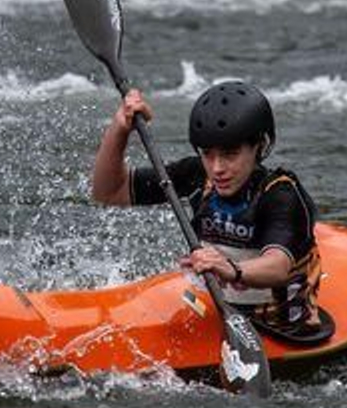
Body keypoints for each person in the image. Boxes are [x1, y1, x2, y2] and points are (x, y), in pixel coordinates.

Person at [91, 79, 331, 343]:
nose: (217, 168)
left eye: (230, 154)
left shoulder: (280, 194)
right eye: (208, 154)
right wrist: (120, 129)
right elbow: (109, 192)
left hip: (279, 328)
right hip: (212, 312)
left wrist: (232, 270)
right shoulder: (196, 175)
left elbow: (277, 266)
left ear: (259, 146)